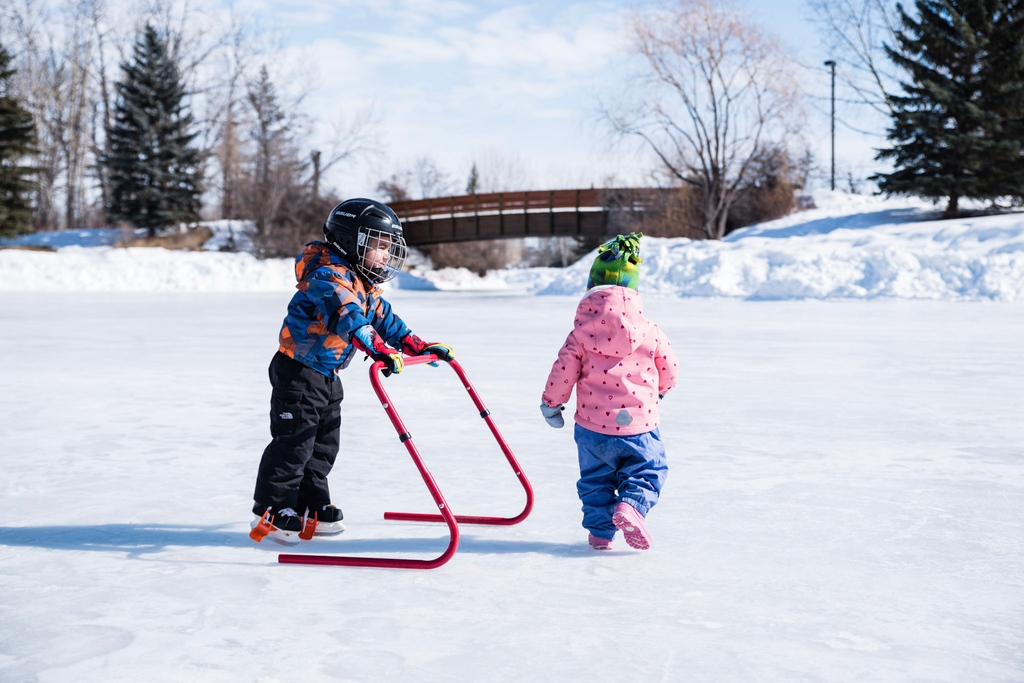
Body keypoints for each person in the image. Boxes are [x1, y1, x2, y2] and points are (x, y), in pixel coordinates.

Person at [250, 198, 454, 545]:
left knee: (324, 444)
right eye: (378, 247)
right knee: (295, 442)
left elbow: (383, 318)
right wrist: (377, 347)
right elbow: (349, 318)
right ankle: (272, 506)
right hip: (298, 371)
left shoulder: (362, 284)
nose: (385, 257)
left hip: (327, 375)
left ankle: (311, 504)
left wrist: (414, 344)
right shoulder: (328, 276)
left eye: (388, 249)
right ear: (351, 241)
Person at [540, 233, 678, 551]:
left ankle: (600, 534)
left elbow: (562, 372)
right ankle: (631, 506)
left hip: (591, 429)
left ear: (591, 287)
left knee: (595, 481)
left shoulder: (580, 334)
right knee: (648, 468)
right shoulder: (650, 330)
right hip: (639, 426)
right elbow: (670, 366)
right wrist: (662, 390)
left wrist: (551, 404)